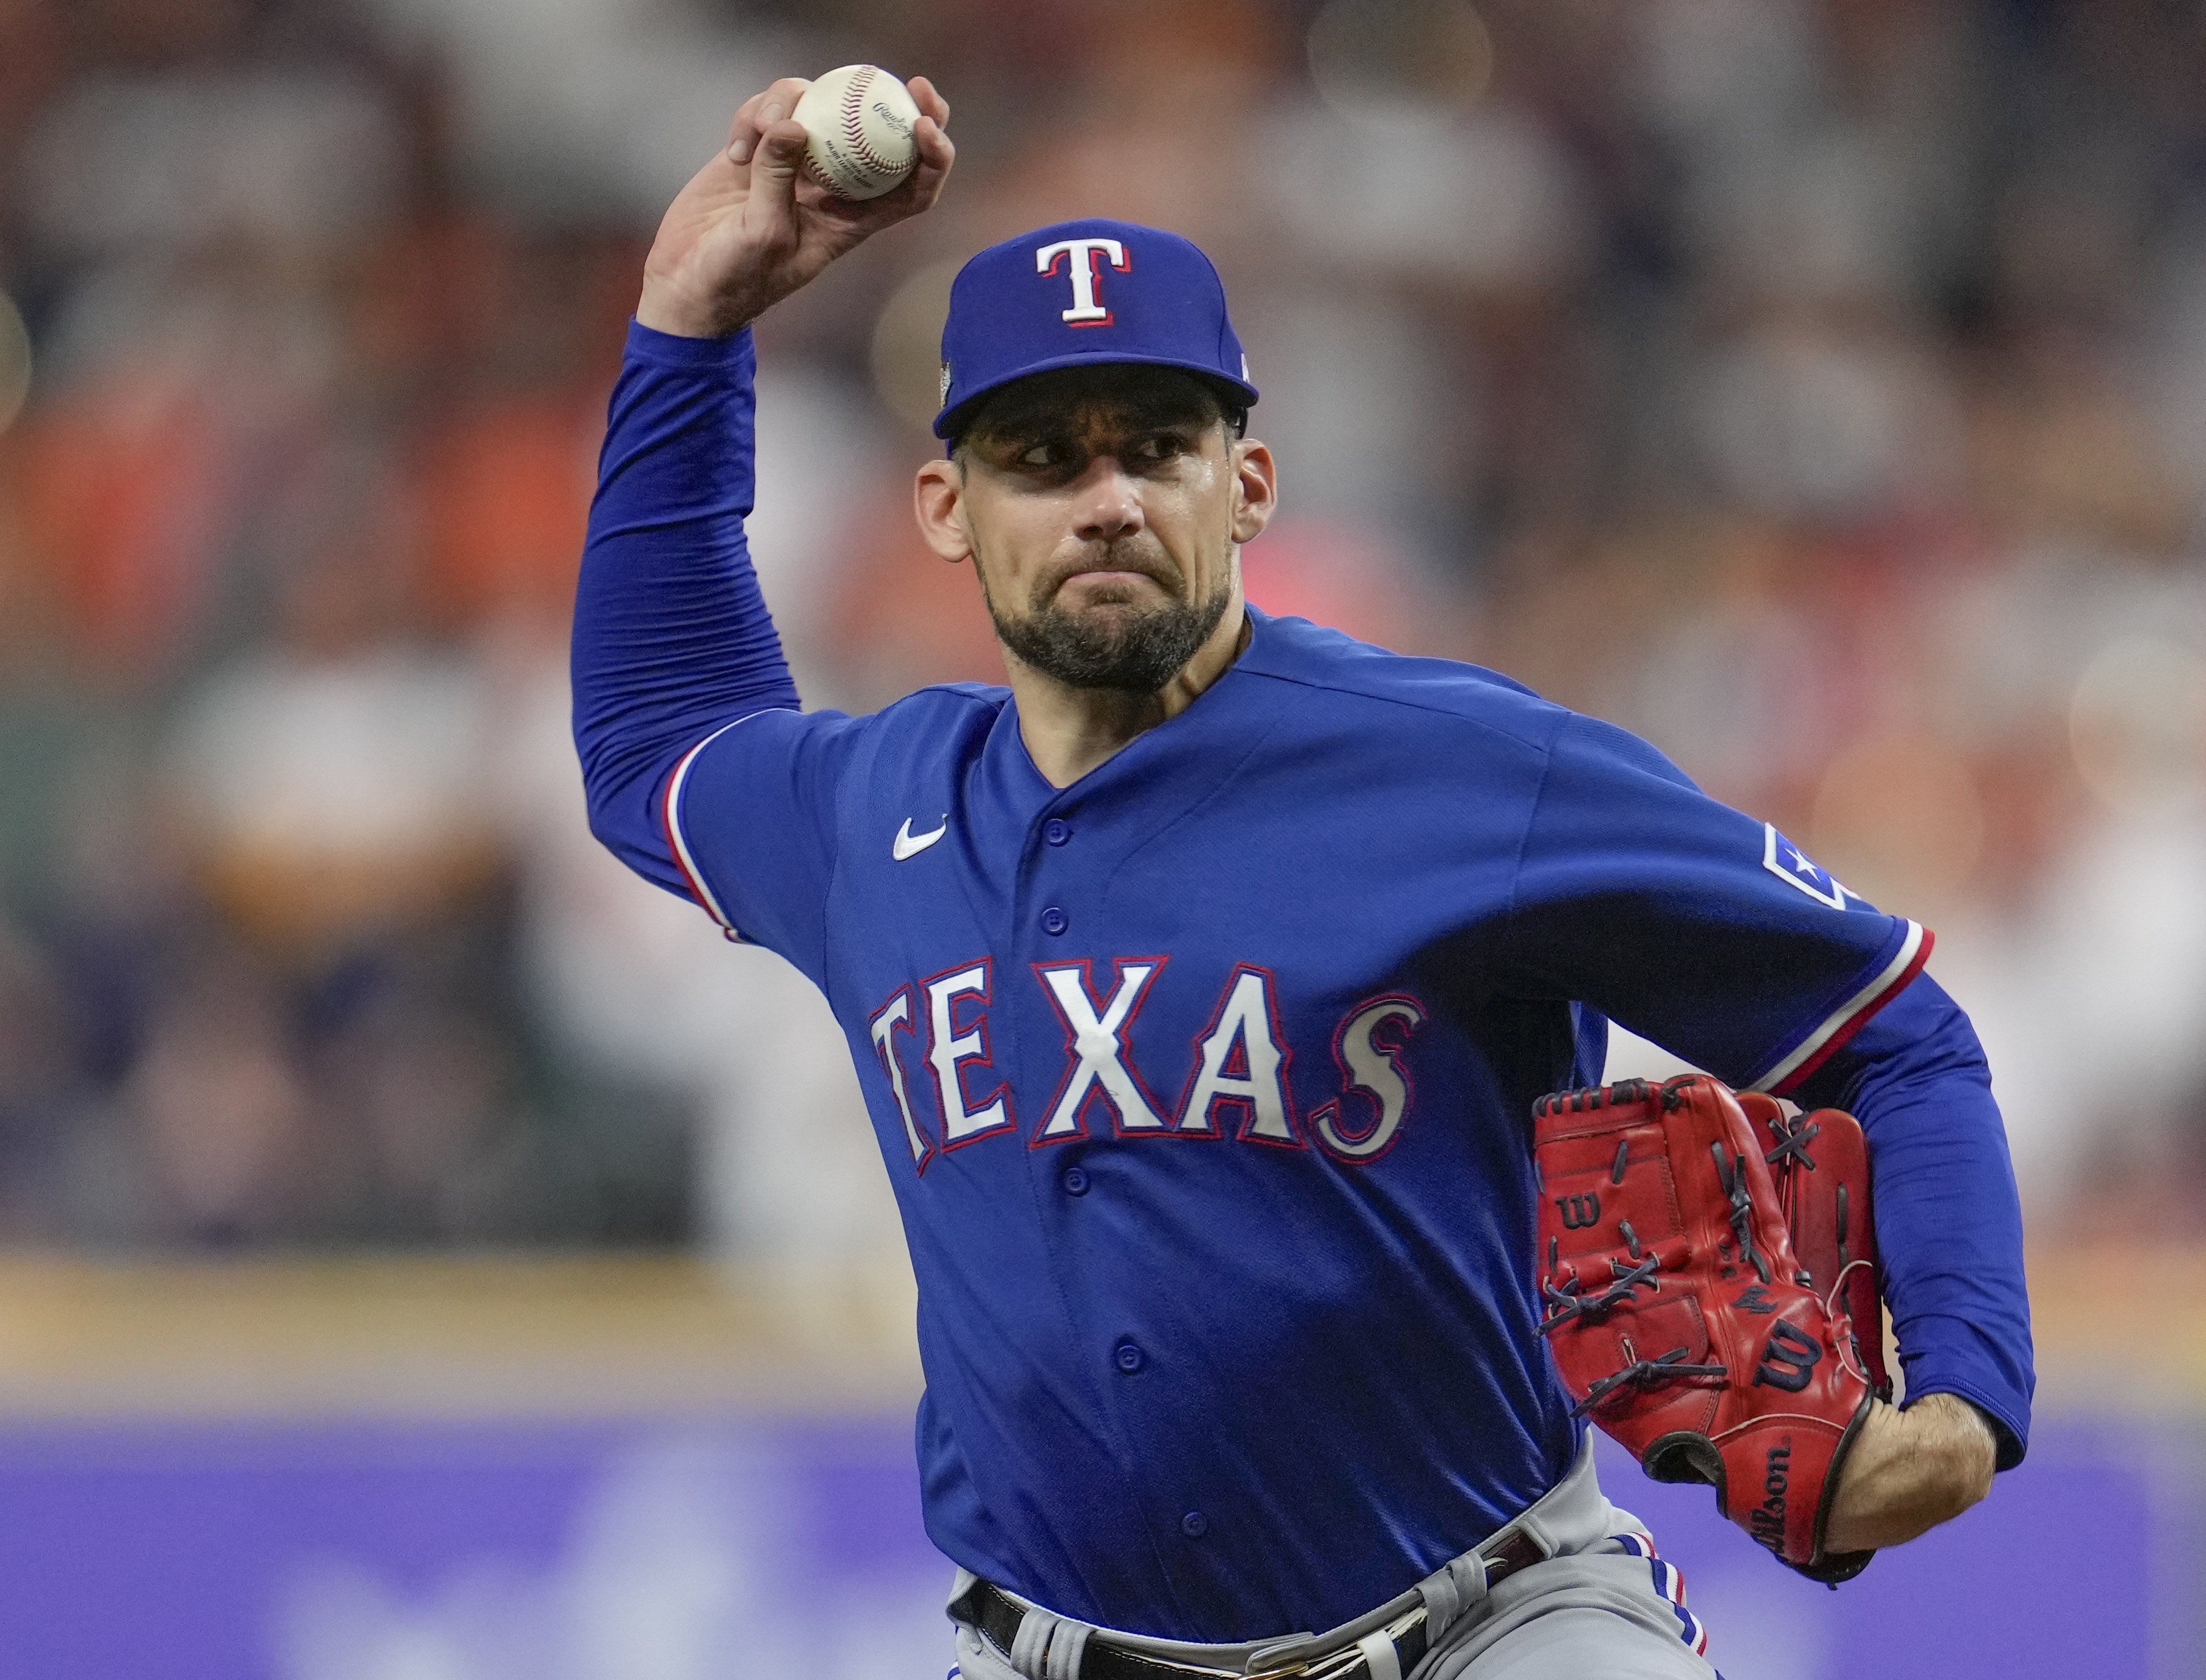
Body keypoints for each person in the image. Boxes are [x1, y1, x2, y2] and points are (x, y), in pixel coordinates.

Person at [576, 74, 2033, 1680]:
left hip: (1495, 1626)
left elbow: (1894, 1029)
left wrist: (1963, 1401)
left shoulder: (1463, 771)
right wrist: (687, 326)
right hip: (1056, 1648)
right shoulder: (872, 813)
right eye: (1042, 455)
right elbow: (658, 739)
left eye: (1159, 445)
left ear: (1247, 485)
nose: (1109, 497)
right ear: (947, 508)